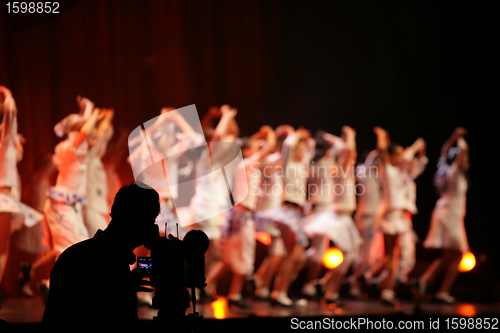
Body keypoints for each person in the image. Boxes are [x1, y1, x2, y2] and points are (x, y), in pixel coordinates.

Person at [42, 182, 160, 331]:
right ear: (138, 221)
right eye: (151, 221)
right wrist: (122, 288)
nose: (154, 228)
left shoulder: (74, 255)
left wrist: (125, 285)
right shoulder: (110, 267)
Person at [204, 125, 275, 308]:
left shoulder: (244, 164)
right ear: (249, 150)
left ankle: (204, 286)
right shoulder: (248, 163)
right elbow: (270, 146)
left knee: (228, 259)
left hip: (236, 214)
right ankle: (234, 294)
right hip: (242, 216)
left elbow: (257, 147)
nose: (259, 149)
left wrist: (257, 135)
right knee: (245, 258)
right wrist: (269, 133)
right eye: (255, 147)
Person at [418, 128, 469, 304]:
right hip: (450, 215)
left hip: (446, 212)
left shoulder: (445, 169)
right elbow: (461, 151)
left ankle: (425, 281)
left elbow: (443, 151)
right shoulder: (454, 172)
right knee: (459, 253)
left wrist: (453, 137)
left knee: (450, 256)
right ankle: (441, 291)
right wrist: (460, 139)